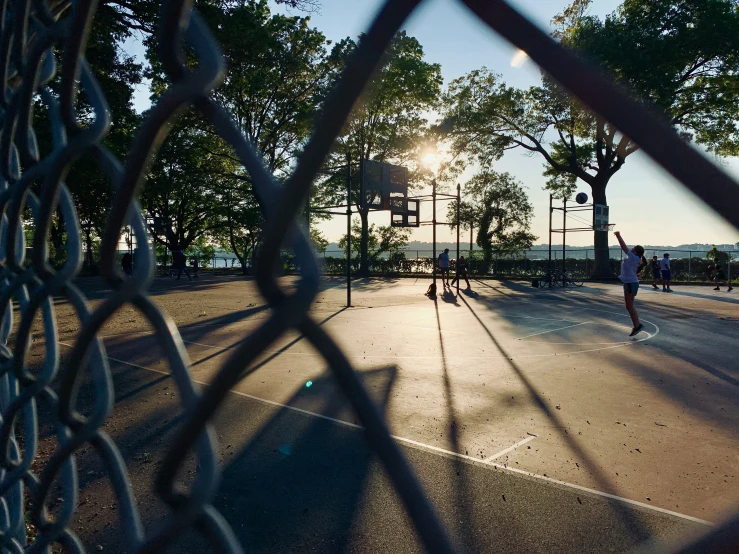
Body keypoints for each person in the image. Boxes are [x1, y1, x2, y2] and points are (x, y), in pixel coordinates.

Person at [614, 231, 645, 337]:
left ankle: (638, 326)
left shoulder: (634, 258)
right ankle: (637, 325)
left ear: (635, 252)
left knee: (629, 306)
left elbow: (623, 247)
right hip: (629, 283)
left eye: (633, 249)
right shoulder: (633, 258)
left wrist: (618, 236)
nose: (631, 249)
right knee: (629, 306)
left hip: (631, 284)